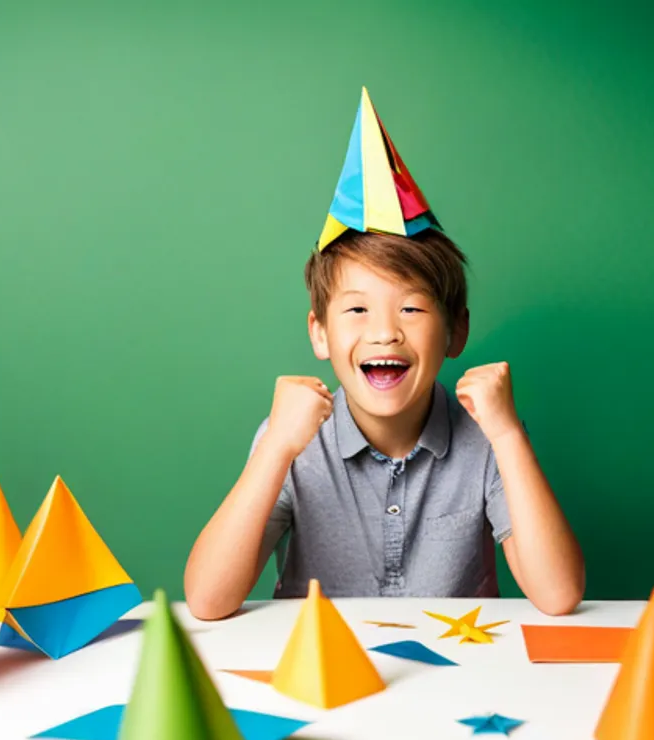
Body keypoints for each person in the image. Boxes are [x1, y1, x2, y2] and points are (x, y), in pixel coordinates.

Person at [184, 87, 584, 620]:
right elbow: (208, 601)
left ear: (455, 332)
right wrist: (276, 447)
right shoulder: (292, 440)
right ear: (320, 334)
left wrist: (509, 435)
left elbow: (559, 595)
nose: (385, 334)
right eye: (357, 311)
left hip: (455, 680)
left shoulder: (488, 437)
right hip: (321, 686)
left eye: (411, 310)